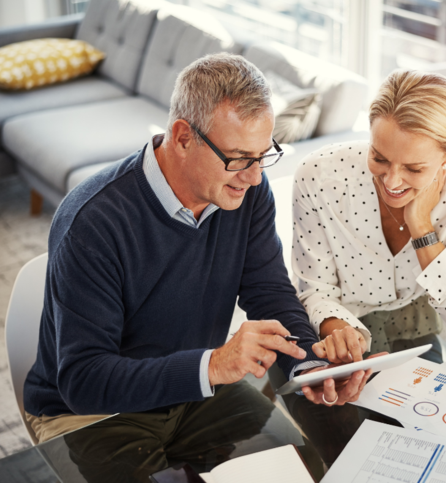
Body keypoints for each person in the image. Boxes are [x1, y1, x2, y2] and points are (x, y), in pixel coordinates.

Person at [22, 53, 372, 455]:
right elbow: (84, 382)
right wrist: (215, 365)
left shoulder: (247, 192)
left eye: (263, 155)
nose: (256, 176)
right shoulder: (93, 221)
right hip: (93, 413)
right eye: (239, 158)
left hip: (195, 391)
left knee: (303, 463)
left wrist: (309, 366)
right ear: (183, 137)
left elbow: (270, 293)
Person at [292, 69, 446, 364]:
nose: (391, 182)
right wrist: (340, 333)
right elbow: (314, 290)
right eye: (379, 158)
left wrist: (422, 229)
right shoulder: (318, 177)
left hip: (417, 328)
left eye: (414, 169)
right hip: (334, 329)